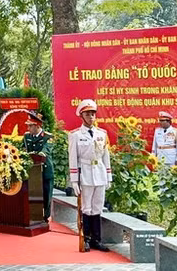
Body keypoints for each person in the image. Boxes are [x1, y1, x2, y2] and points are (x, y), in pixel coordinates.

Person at [68, 99, 111, 252]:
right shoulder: (75, 135)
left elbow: (106, 156)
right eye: (87, 114)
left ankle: (96, 239)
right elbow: (73, 158)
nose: (91, 117)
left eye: (93, 113)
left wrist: (108, 176)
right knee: (86, 208)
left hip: (99, 173)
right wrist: (74, 180)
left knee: (97, 207)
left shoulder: (102, 134)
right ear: (82, 116)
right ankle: (86, 238)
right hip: (85, 173)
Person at [23, 112, 53, 222]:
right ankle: (33, 213)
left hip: (45, 170)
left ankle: (45, 216)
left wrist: (40, 154)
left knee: (46, 193)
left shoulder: (47, 137)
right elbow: (22, 149)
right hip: (32, 171)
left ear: (37, 126)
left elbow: (46, 150)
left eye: (30, 125)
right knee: (31, 193)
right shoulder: (27, 137)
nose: (28, 128)